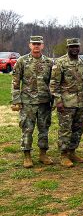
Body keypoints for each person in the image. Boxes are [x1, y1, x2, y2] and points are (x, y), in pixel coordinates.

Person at [11, 36, 54, 168]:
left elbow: (53, 82)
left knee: (44, 129)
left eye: (38, 44)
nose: (36, 46)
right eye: (34, 44)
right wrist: (16, 100)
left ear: (42, 46)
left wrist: (54, 100)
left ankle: (43, 154)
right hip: (27, 102)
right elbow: (15, 82)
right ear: (30, 45)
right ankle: (27, 155)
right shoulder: (22, 61)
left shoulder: (48, 62)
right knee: (27, 129)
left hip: (44, 102)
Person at [49, 38, 83, 167]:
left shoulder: (82, 63)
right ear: (68, 48)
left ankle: (72, 151)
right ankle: (63, 155)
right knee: (65, 130)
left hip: (80, 103)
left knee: (77, 130)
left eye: (76, 46)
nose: (74, 49)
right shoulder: (60, 63)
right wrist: (58, 101)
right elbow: (54, 84)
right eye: (72, 47)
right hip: (66, 103)